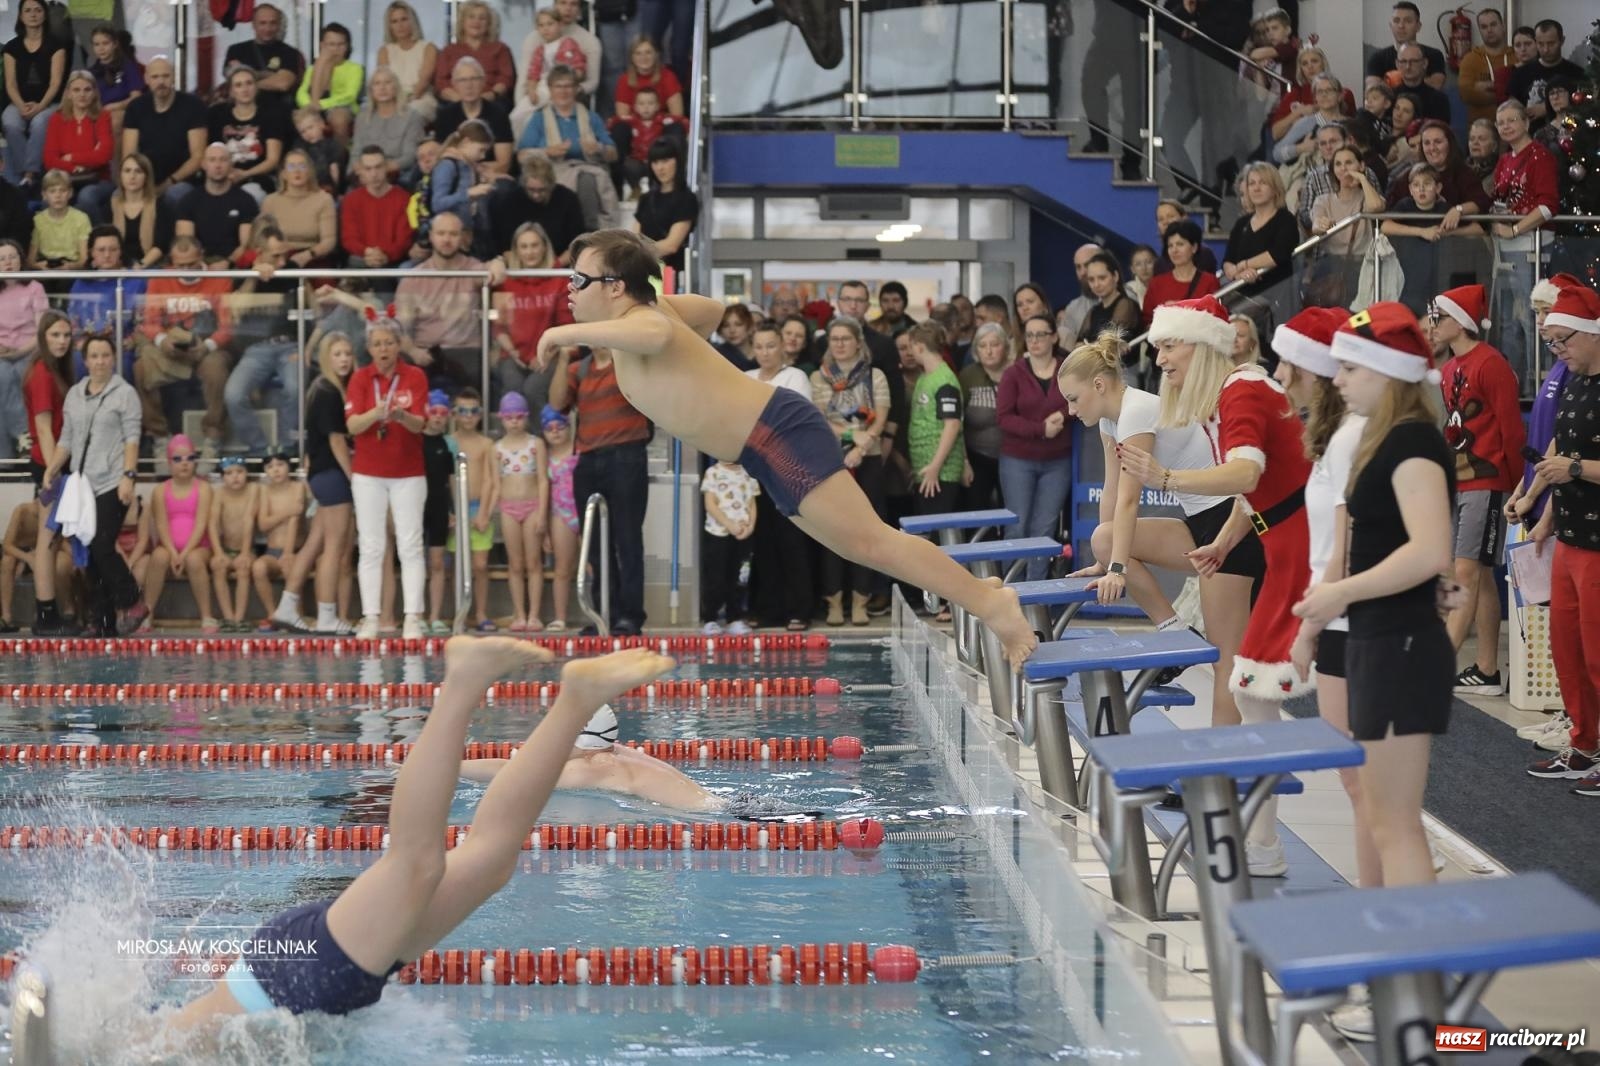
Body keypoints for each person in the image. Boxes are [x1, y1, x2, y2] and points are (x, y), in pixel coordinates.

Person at [537, 230, 1035, 661]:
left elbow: (652, 329)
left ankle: (994, 606)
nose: (570, 290)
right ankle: (976, 590)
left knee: (869, 541)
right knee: (862, 545)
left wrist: (564, 333)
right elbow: (709, 310)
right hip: (761, 449)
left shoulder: (643, 324)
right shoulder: (649, 316)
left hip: (777, 432)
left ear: (614, 287)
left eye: (577, 280)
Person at [162, 641, 674, 1031]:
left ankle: (463, 681)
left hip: (293, 982)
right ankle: (575, 703)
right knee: (491, 860)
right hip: (306, 981)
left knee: (416, 863)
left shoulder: (151, 1052)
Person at [1119, 295, 1313, 876]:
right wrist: (1227, 540)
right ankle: (1262, 845)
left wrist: (1168, 476)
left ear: (1202, 344)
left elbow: (1247, 473)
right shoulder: (1224, 397)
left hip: (1308, 547)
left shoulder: (1242, 390)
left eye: (1169, 345)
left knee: (1296, 696)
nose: (1159, 357)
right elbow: (1256, 493)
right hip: (1284, 538)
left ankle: (1377, 837)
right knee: (1253, 687)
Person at [1293, 302, 1455, 888]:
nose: (1337, 380)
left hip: (1401, 645)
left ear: (1385, 372)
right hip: (1381, 639)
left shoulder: (1412, 444)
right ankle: (1400, 957)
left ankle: (1412, 972)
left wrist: (1336, 595)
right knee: (1388, 821)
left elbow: (1430, 549)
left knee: (1395, 825)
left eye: (1350, 369)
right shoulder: (1384, 441)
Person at [1060, 327, 1262, 728]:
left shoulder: (1136, 410)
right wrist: (1107, 561)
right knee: (1104, 539)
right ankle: (1176, 633)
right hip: (1199, 523)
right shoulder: (1110, 421)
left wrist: (1119, 568)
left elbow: (1132, 499)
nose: (1070, 410)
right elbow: (1113, 490)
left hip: (1233, 528)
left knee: (1226, 663)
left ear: (1099, 385)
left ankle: (1221, 773)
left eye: (1072, 399)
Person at [1269, 309, 1373, 892]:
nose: (1280, 375)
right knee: (1356, 772)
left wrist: (1309, 624)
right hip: (1341, 612)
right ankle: (1383, 880)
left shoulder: (1349, 438)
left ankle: (1386, 893)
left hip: (1350, 615)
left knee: (1360, 773)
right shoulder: (1337, 437)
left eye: (1290, 364)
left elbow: (1345, 548)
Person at [1517, 282, 1600, 794]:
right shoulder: (1573, 378)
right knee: (1566, 652)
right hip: (1569, 536)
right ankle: (1585, 743)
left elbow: (1570, 459)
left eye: (1562, 339)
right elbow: (1559, 445)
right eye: (1550, 343)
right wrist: (1539, 511)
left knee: (1596, 654)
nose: (1558, 351)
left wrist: (1573, 468)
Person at [1423, 284, 1523, 697]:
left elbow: (1511, 430)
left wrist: (1517, 486)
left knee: (1465, 571)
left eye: (1438, 318)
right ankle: (1485, 669)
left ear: (1460, 322)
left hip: (1488, 480)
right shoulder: (1449, 370)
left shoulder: (1491, 364)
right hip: (1461, 479)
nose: (1431, 326)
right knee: (1474, 574)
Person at [37, 333, 144, 637]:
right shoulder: (74, 394)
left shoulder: (125, 394)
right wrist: (52, 468)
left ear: (113, 359)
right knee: (89, 553)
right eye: (94, 356)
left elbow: (132, 438)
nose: (100, 362)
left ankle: (132, 600)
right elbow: (67, 440)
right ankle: (103, 620)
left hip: (112, 481)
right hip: (81, 485)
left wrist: (129, 476)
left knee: (102, 545)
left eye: (105, 356)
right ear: (85, 361)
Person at [460, 703, 719, 812]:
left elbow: (512, 773)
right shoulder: (614, 752)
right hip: (731, 807)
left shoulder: (594, 767)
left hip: (721, 817)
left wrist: (450, 768)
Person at [346, 308, 429, 640]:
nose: (383, 349)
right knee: (371, 546)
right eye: (377, 344)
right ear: (369, 348)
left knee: (410, 545)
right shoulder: (360, 379)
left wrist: (398, 416)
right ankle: (370, 617)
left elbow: (420, 423)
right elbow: (352, 425)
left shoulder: (415, 377)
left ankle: (412, 617)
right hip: (368, 472)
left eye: (389, 343)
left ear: (398, 345)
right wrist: (375, 414)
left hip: (408, 472)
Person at [807, 315, 890, 626]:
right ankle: (834, 600)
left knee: (866, 530)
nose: (840, 344)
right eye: (835, 339)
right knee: (834, 530)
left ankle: (861, 599)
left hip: (867, 458)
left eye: (845, 338)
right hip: (831, 460)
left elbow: (880, 419)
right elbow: (819, 418)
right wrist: (848, 437)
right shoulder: (819, 377)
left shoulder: (875, 376)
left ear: (858, 342)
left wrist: (861, 447)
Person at [272, 330, 356, 634]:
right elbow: (336, 441)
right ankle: (327, 615)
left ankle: (285, 606)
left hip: (321, 474)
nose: (344, 359)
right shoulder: (328, 392)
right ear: (325, 358)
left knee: (314, 544)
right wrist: (353, 477)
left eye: (347, 353)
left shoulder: (323, 389)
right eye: (337, 354)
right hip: (333, 476)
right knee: (334, 548)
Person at [132, 234, 231, 453]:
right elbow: (149, 321)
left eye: (191, 264)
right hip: (172, 348)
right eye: (180, 265)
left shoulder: (220, 279)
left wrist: (208, 346)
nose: (186, 270)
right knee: (140, 369)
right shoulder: (159, 279)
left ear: (201, 257)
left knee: (216, 369)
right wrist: (162, 340)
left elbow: (227, 327)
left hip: (207, 347)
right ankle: (159, 435)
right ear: (171, 262)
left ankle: (213, 436)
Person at [744, 321, 812, 630]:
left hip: (787, 469)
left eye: (771, 346)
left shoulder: (795, 377)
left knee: (792, 539)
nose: (765, 352)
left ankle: (799, 609)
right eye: (759, 347)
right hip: (754, 467)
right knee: (763, 541)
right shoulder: (743, 378)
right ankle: (765, 608)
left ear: (782, 347)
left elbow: (789, 421)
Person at [1487, 99, 1558, 388]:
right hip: (1506, 248)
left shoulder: (1540, 156)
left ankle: (1538, 383)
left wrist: (1515, 229)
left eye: (1512, 120)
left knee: (1532, 318)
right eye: (1501, 122)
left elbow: (1548, 207)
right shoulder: (1504, 159)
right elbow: (1499, 199)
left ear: (1526, 123)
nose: (1506, 126)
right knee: (1507, 321)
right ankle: (1513, 383)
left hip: (1532, 246)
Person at [516, 65, 618, 231]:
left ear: (576, 89)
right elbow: (521, 156)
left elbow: (613, 154)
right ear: (550, 89)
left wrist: (598, 148)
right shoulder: (539, 118)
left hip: (585, 172)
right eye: (558, 86)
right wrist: (547, 152)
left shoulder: (591, 117)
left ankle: (590, 232)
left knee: (586, 180)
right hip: (552, 171)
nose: (563, 91)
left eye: (568, 86)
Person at [139, 435, 217, 631]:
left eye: (190, 459)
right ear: (168, 463)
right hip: (168, 546)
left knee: (193, 560)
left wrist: (183, 554)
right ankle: (147, 614)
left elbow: (201, 525)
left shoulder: (204, 489)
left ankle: (206, 615)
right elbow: (162, 526)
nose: (184, 464)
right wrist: (174, 553)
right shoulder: (159, 491)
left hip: (199, 546)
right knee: (158, 557)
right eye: (178, 459)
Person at [486, 391, 546, 633]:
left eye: (518, 416)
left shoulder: (536, 444)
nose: (514, 421)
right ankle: (519, 614)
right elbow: (495, 485)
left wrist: (542, 513)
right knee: (515, 564)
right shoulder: (496, 448)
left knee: (533, 562)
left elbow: (543, 480)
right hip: (508, 509)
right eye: (509, 417)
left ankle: (534, 615)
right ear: (501, 419)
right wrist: (486, 514)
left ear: (526, 418)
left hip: (532, 507)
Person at [119, 57, 206, 208]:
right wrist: (141, 184)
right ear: (146, 79)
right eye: (155, 77)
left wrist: (169, 182)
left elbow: (198, 157)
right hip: (144, 180)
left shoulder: (193, 105)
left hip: (182, 181)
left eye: (166, 76)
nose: (161, 82)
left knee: (174, 195)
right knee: (116, 198)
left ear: (173, 77)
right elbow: (129, 156)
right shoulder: (136, 107)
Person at [2, 0, 69, 188]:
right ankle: (27, 175)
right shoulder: (11, 47)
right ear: (21, 16)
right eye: (28, 11)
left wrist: (40, 106)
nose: (33, 14)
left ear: (44, 15)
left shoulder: (57, 45)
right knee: (10, 123)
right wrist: (22, 105)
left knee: (40, 123)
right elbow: (10, 83)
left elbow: (56, 83)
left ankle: (29, 174)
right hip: (19, 102)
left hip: (49, 102)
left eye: (38, 10)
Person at [449, 387, 500, 631]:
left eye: (473, 411)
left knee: (480, 565)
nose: (468, 416)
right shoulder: (449, 443)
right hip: (455, 512)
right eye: (463, 411)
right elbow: (444, 480)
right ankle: (460, 611)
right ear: (454, 414)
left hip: (478, 509)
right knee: (458, 565)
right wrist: (450, 512)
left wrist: (485, 513)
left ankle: (480, 613)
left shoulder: (486, 444)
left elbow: (492, 480)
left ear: (480, 414)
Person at [907, 321, 964, 515]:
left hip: (940, 472)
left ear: (920, 346)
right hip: (925, 467)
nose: (910, 352)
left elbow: (953, 424)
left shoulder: (944, 380)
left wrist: (935, 466)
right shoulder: (925, 377)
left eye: (911, 347)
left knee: (936, 532)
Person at [486, 152, 584, 263]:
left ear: (551, 184)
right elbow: (504, 246)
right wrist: (524, 268)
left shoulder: (568, 199)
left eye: (542, 190)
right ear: (523, 184)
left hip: (559, 266)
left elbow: (576, 243)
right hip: (519, 266)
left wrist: (555, 266)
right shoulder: (509, 201)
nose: (536, 195)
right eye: (531, 190)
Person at [209, 63, 288, 200]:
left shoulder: (271, 115)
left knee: (249, 195)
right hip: (223, 176)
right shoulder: (217, 115)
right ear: (231, 91)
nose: (245, 89)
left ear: (256, 87)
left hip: (258, 178)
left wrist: (245, 174)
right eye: (238, 85)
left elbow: (272, 160)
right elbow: (212, 152)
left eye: (249, 83)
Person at [42, 69, 113, 220]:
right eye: (76, 90)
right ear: (68, 93)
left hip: (99, 179)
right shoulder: (57, 118)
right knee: (49, 200)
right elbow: (50, 160)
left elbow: (104, 155)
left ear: (94, 93)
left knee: (87, 197)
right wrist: (75, 168)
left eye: (87, 89)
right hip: (65, 179)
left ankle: (98, 238)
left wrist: (71, 157)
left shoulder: (102, 116)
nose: (82, 94)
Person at [700, 457, 759, 633]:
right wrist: (728, 524)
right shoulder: (713, 473)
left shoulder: (749, 473)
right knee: (715, 577)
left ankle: (734, 617)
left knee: (739, 577)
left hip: (741, 535)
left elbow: (752, 504)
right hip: (718, 533)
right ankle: (710, 617)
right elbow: (710, 504)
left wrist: (750, 526)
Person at [249, 451, 306, 632]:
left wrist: (288, 553)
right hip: (271, 552)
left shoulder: (298, 487)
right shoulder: (265, 491)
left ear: (289, 467)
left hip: (295, 550)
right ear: (266, 471)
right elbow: (263, 524)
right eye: (270, 467)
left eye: (280, 465)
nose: (276, 470)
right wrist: (288, 510)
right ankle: (273, 614)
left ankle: (298, 614)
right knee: (258, 567)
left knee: (290, 567)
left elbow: (295, 521)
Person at [176, 143, 259, 265]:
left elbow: (246, 245)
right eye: (212, 160)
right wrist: (202, 267)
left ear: (231, 164)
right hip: (198, 266)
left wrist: (227, 263)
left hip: (233, 267)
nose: (218, 165)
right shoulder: (188, 201)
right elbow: (185, 244)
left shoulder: (245, 200)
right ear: (203, 164)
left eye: (223, 160)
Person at [206, 455, 260, 631]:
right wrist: (219, 552)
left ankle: (239, 618)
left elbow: (249, 521)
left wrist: (245, 552)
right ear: (222, 477)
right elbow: (212, 524)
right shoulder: (219, 493)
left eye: (239, 472)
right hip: (226, 549)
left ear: (247, 474)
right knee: (217, 565)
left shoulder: (253, 490)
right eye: (229, 473)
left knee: (243, 567)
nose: (235, 476)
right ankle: (228, 617)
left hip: (247, 549)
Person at [959, 321, 1008, 511]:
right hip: (976, 457)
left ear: (1005, 346)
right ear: (975, 350)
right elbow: (957, 423)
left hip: (1013, 458)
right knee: (977, 511)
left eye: (994, 345)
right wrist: (963, 462)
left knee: (1011, 513)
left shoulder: (1017, 372)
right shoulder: (967, 376)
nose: (989, 351)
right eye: (982, 345)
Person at [340, 144, 415, 268]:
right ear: (360, 171)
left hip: (393, 261)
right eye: (368, 169)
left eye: (378, 167)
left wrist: (384, 255)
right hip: (361, 258)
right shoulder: (351, 200)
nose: (374, 174)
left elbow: (404, 240)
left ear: (386, 167)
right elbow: (349, 238)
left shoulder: (404, 198)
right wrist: (368, 252)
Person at [222, 3, 305, 111]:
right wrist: (271, 75)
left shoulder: (290, 52)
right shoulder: (236, 50)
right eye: (263, 23)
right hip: (242, 111)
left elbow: (283, 83)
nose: (268, 28)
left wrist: (249, 77)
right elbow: (232, 80)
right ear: (253, 25)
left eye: (273, 23)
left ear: (279, 24)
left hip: (278, 111)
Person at [419, 390, 456, 631]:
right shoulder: (415, 441)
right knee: (415, 562)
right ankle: (417, 614)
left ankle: (435, 616)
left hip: (439, 507)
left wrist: (454, 510)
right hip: (415, 505)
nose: (438, 417)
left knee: (437, 562)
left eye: (443, 413)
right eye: (434, 412)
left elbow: (452, 481)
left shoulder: (447, 444)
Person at [435, 0, 515, 108]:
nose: (476, 22)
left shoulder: (500, 48)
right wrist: (459, 99)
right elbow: (441, 82)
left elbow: (506, 78)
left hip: (491, 100)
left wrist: (490, 95)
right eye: (471, 17)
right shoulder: (448, 51)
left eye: (482, 18)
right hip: (455, 101)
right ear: (462, 22)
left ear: (488, 24)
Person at [632, 140, 696, 273]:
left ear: (677, 161)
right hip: (644, 271)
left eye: (665, 161)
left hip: (672, 272)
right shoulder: (646, 199)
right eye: (655, 162)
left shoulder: (686, 198)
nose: (660, 168)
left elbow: (671, 245)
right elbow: (634, 237)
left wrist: (639, 253)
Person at [540, 404, 578, 630]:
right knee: (562, 569)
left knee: (594, 564)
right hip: (560, 514)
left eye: (560, 427)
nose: (555, 432)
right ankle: (560, 617)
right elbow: (542, 492)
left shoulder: (579, 449)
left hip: (582, 510)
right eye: (549, 428)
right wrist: (544, 530)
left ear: (568, 427)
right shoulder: (544, 456)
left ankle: (604, 611)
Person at [1142, 220, 1221, 329]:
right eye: (1170, 245)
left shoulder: (1209, 281)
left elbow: (1215, 319)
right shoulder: (1156, 283)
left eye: (1180, 244)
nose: (1174, 250)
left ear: (1194, 247)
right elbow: (1147, 321)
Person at [1505, 19, 1584, 126]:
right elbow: (1511, 109)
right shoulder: (1520, 74)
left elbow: (1585, 108)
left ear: (1562, 40)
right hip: (1530, 137)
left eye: (1551, 43)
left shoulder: (1577, 73)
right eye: (1540, 44)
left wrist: (1547, 107)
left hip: (1567, 136)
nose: (1546, 49)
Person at [294, 22, 363, 144]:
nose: (336, 49)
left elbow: (349, 95)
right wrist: (310, 105)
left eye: (340, 44)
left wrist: (320, 104)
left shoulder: (355, 68)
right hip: (314, 106)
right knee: (299, 117)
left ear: (347, 46)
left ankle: (340, 157)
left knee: (339, 119)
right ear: (322, 45)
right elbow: (302, 92)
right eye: (331, 44)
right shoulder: (312, 68)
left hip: (342, 106)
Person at [353, 70, 426, 180]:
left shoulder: (412, 117)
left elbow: (410, 156)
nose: (382, 88)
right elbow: (356, 152)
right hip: (366, 172)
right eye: (377, 83)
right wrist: (361, 169)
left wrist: (380, 170)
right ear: (371, 90)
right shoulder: (363, 116)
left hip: (398, 173)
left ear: (396, 87)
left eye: (387, 82)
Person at [376, 0, 438, 124]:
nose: (400, 25)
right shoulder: (384, 51)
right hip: (391, 99)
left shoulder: (428, 48)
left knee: (408, 112)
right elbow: (383, 83)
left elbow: (422, 84)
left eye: (404, 19)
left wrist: (401, 104)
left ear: (413, 21)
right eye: (394, 21)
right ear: (389, 26)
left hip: (420, 99)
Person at [1365, 2, 1446, 91]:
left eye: (1408, 21)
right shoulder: (1377, 58)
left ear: (1418, 26)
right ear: (1390, 25)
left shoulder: (1434, 55)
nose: (1401, 26)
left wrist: (1392, 81)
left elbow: (1436, 85)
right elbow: (1373, 90)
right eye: (1396, 21)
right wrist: (1417, 80)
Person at [1459, 7, 1513, 125]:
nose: (1489, 30)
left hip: (1514, 126)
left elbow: (1523, 94)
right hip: (1480, 129)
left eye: (1493, 24)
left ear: (1503, 26)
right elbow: (1466, 94)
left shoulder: (1516, 56)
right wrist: (1506, 93)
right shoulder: (1470, 59)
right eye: (1484, 27)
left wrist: (1488, 87)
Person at [28, 169, 90, 269]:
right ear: (44, 195)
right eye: (52, 191)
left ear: (70, 193)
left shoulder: (81, 218)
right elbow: (30, 260)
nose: (58, 196)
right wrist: (38, 266)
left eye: (63, 190)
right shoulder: (37, 220)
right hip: (45, 265)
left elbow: (84, 259)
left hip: (71, 266)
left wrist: (72, 266)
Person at [1074, 252, 1139, 346]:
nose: (1096, 284)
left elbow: (1109, 343)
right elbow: (1077, 345)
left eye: (1102, 278)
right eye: (1091, 280)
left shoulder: (1126, 305)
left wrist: (1086, 347)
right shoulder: (1094, 311)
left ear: (1115, 276)